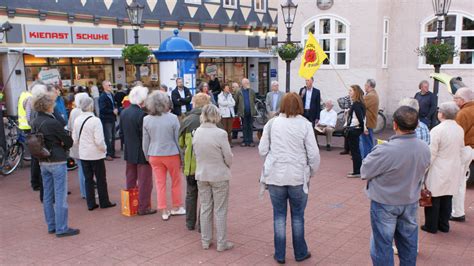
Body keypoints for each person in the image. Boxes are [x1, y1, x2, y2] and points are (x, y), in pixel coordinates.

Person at [361, 106, 430, 266]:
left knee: (382, 245)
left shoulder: (386, 149)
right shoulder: (424, 147)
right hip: (410, 200)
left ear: (395, 125)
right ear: (417, 124)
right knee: (408, 244)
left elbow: (365, 171)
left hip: (385, 202)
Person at [258, 93, 320, 264]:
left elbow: (262, 150)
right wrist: (311, 172)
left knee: (279, 215)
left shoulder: (272, 123)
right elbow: (314, 154)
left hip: (275, 175)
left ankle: (280, 254)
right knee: (298, 216)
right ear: (299, 105)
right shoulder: (305, 125)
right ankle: (300, 252)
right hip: (298, 176)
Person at [30, 86, 79, 237]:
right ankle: (62, 227)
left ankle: (51, 225)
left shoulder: (35, 121)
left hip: (43, 160)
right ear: (48, 106)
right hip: (57, 160)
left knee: (48, 195)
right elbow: (68, 142)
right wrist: (62, 142)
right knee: (60, 195)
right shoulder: (53, 122)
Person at [193, 104, 234, 252]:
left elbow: (195, 152)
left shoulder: (197, 132)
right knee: (220, 210)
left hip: (202, 174)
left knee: (205, 207)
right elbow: (228, 156)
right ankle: (221, 243)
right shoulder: (220, 133)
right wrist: (227, 165)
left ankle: (205, 240)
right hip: (219, 175)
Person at [143, 91, 186, 221]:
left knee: (160, 183)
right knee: (176, 181)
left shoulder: (146, 119)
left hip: (154, 154)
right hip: (171, 153)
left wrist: (147, 155)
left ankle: (163, 210)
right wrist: (182, 156)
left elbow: (145, 141)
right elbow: (178, 140)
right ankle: (176, 207)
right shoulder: (172, 118)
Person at [422, 102, 464, 234]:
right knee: (447, 197)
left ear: (442, 114)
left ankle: (431, 226)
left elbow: (431, 152)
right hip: (454, 166)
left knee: (433, 197)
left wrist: (424, 169)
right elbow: (461, 149)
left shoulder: (437, 130)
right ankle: (444, 225)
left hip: (439, 167)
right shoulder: (459, 129)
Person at [73, 97, 116, 211]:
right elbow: (99, 141)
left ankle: (91, 203)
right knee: (101, 178)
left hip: (83, 153)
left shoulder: (77, 120)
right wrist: (104, 150)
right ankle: (104, 201)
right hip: (96, 154)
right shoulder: (95, 120)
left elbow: (75, 139)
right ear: (91, 106)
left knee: (88, 179)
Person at [120, 86, 156, 216]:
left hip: (129, 150)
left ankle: (130, 202)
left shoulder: (124, 112)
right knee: (145, 181)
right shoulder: (142, 115)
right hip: (142, 152)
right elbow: (145, 136)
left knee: (130, 178)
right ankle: (143, 206)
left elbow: (121, 133)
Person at [179, 93, 211, 230]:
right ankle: (202, 225)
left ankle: (189, 223)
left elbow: (180, 143)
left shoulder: (187, 120)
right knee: (206, 196)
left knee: (191, 193)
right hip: (207, 164)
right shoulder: (213, 120)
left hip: (191, 164)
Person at [452, 87, 474, 222]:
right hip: (470, 149)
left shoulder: (463, 113)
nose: (454, 101)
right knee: (461, 181)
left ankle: (457, 212)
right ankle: (458, 210)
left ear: (462, 100)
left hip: (463, 149)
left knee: (457, 181)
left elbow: (456, 135)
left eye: (456, 98)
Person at [68, 92, 90, 199]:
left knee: (81, 168)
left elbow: (69, 127)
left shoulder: (73, 111)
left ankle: (84, 192)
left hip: (75, 144)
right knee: (85, 169)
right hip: (84, 145)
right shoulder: (83, 112)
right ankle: (86, 192)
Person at [345, 85, 366, 178]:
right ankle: (357, 170)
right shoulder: (357, 103)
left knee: (355, 151)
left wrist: (362, 128)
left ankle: (357, 171)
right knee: (355, 151)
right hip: (354, 129)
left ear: (355, 92)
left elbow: (361, 118)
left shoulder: (357, 104)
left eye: (350, 91)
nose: (349, 92)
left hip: (354, 129)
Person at [99, 80, 118, 161]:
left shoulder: (111, 94)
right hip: (106, 119)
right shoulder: (102, 97)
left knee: (113, 136)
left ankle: (112, 153)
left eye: (111, 85)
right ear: (104, 86)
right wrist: (112, 111)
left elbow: (114, 104)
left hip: (112, 118)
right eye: (109, 85)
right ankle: (107, 154)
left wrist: (116, 109)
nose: (111, 86)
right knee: (108, 137)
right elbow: (102, 109)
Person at [360, 79, 379, 158]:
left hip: (368, 122)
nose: (364, 87)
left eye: (365, 85)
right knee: (367, 141)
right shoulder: (371, 94)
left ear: (369, 86)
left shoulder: (371, 96)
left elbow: (361, 105)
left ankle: (367, 158)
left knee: (367, 142)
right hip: (368, 121)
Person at [235, 78, 256, 147]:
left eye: (248, 82)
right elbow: (236, 101)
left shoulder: (252, 91)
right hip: (243, 112)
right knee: (244, 126)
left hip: (250, 111)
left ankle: (250, 141)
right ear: (243, 84)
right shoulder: (239, 91)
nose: (248, 84)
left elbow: (254, 100)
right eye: (246, 83)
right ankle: (245, 141)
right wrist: (237, 111)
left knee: (250, 126)